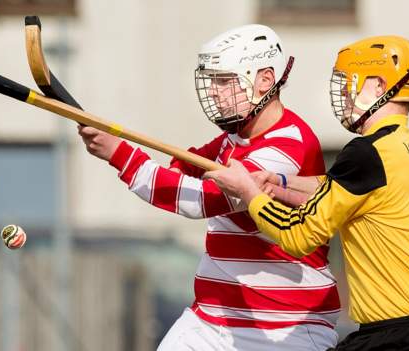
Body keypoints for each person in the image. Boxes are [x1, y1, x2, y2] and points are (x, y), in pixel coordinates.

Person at [77, 24, 340, 350]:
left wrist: (118, 154)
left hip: (285, 326)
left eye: (225, 81)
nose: (214, 92)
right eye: (213, 81)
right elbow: (182, 166)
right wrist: (124, 148)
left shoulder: (288, 145)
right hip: (213, 319)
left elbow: (202, 200)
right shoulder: (234, 139)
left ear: (265, 81)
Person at [205, 35, 409, 351]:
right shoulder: (407, 149)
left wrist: (249, 192)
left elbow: (298, 235)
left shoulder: (366, 152)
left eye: (351, 83)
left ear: (379, 86)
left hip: (395, 338)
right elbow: (341, 191)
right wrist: (280, 182)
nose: (345, 96)